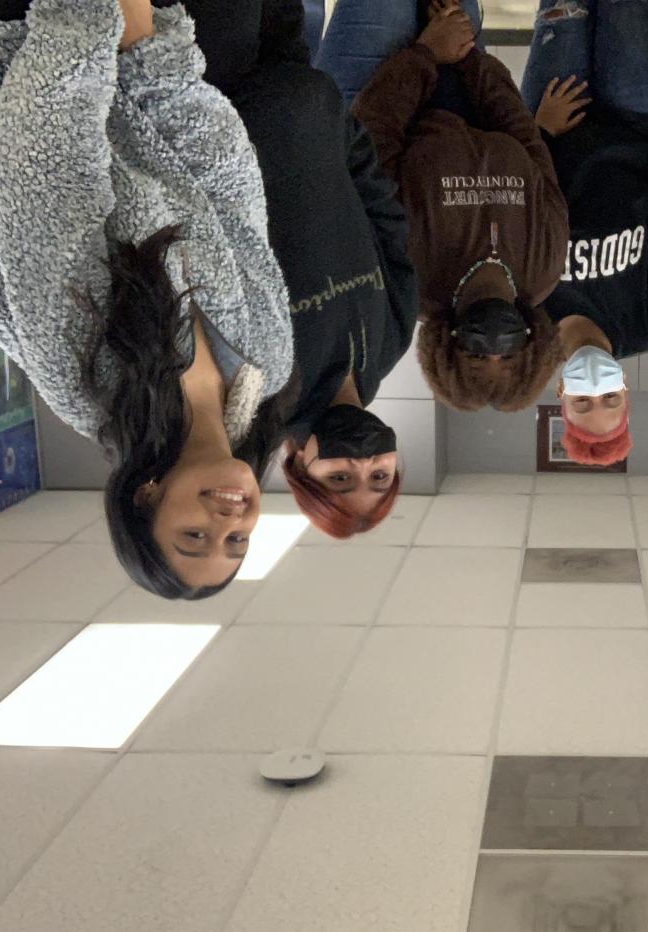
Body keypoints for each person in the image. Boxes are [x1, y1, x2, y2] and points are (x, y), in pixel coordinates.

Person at [0, 0, 294, 598]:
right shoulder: (265, 363)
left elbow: (40, 165)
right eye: (237, 542)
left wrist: (95, 15)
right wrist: (152, 56)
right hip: (103, 54)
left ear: (146, 497)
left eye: (194, 536)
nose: (227, 523)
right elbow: (230, 183)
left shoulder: (92, 382)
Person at [173, 0, 419, 540]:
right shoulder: (391, 344)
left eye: (340, 477)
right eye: (379, 475)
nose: (363, 461)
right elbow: (385, 219)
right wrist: (340, 126)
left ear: (299, 465)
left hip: (220, 88)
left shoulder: (259, 387)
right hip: (301, 78)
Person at [317, 0, 571, 412]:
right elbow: (526, 141)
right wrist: (467, 57)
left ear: (448, 348)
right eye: (508, 357)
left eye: (476, 356)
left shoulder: (409, 283)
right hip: (469, 78)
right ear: (532, 346)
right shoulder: (544, 265)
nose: (494, 346)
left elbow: (373, 139)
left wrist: (426, 53)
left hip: (377, 88)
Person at [521, 0, 648, 467]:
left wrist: (537, 135)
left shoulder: (527, 320)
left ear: (561, 393)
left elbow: (509, 215)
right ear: (626, 389)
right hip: (640, 118)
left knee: (563, 7)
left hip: (551, 116)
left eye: (582, 402)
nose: (596, 389)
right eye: (609, 398)